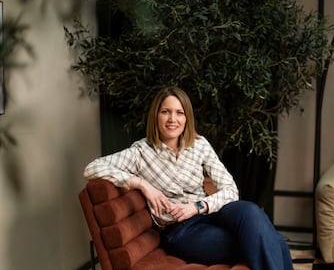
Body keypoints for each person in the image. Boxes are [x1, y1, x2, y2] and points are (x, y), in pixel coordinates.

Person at [84, 86, 293, 270]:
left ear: (187, 118)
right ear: (155, 116)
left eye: (179, 113)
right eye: (165, 112)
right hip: (183, 231)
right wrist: (142, 184)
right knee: (274, 242)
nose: (172, 119)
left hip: (211, 212)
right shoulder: (140, 153)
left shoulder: (199, 144)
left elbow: (231, 190)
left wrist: (197, 206)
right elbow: (93, 168)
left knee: (250, 211)